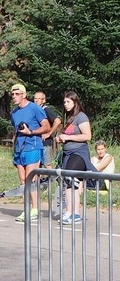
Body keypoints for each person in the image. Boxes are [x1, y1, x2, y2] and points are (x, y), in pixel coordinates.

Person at [10, 84, 50, 223]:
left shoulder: (34, 108)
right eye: (12, 94)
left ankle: (35, 209)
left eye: (17, 94)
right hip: (19, 149)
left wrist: (31, 132)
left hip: (33, 147)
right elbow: (15, 130)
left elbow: (47, 126)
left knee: (30, 179)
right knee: (22, 180)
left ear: (24, 95)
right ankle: (27, 208)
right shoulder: (14, 113)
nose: (14, 96)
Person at [56, 91, 96, 224]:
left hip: (79, 153)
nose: (65, 104)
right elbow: (67, 135)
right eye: (64, 102)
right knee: (70, 182)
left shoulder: (81, 117)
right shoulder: (68, 118)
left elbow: (87, 136)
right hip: (67, 154)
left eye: (68, 102)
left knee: (70, 177)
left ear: (75, 102)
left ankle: (71, 212)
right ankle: (73, 213)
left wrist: (68, 137)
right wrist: (61, 138)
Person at [33, 91, 62, 169]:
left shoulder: (45, 110)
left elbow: (57, 121)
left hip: (46, 142)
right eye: (35, 98)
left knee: (47, 164)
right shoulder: (35, 110)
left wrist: (49, 133)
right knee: (36, 164)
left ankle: (54, 178)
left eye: (39, 99)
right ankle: (37, 181)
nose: (36, 100)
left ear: (44, 100)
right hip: (37, 142)